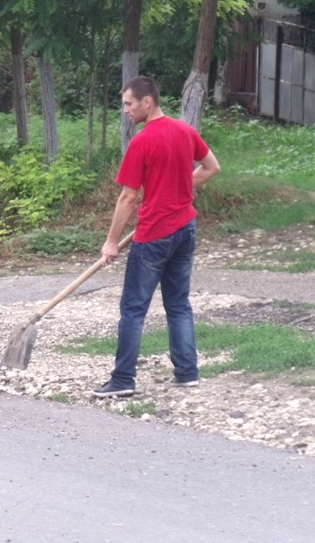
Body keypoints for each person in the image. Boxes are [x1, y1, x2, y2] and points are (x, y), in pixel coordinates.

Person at [93, 76, 220, 398]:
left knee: (133, 309)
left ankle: (123, 380)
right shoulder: (184, 131)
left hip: (154, 236)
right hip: (185, 228)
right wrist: (180, 186)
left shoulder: (143, 141)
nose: (125, 110)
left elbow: (127, 198)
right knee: (178, 304)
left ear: (146, 102)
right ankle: (187, 373)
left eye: (129, 104)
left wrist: (111, 242)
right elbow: (211, 167)